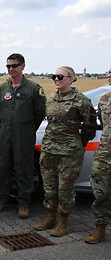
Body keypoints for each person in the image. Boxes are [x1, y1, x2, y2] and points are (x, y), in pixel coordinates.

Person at [33, 66, 97, 237]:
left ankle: (63, 221)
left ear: (71, 79)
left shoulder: (81, 101)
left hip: (69, 154)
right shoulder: (52, 98)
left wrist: (79, 143)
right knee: (49, 187)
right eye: (54, 76)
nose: (56, 79)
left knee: (65, 189)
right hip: (49, 151)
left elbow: (90, 126)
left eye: (60, 76)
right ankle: (50, 217)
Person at [0, 53, 47, 219]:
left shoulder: (34, 89)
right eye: (8, 66)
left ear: (22, 66)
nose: (10, 69)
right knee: (2, 167)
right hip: (5, 134)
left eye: (14, 66)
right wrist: (7, 125)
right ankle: (1, 200)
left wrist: (26, 128)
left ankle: (24, 203)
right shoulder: (2, 88)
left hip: (24, 135)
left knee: (24, 168)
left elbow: (39, 113)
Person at [85, 68, 111, 244]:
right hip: (105, 153)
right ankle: (100, 228)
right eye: (109, 72)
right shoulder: (104, 99)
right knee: (100, 191)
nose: (109, 75)